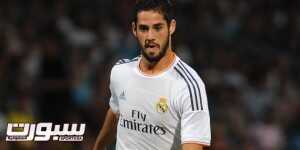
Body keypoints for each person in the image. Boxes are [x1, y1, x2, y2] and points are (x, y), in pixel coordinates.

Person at [93, 0, 211, 149]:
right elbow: (116, 111)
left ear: (171, 27)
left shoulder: (189, 87)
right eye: (143, 28)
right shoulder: (120, 72)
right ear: (134, 29)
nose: (150, 36)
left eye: (158, 28)